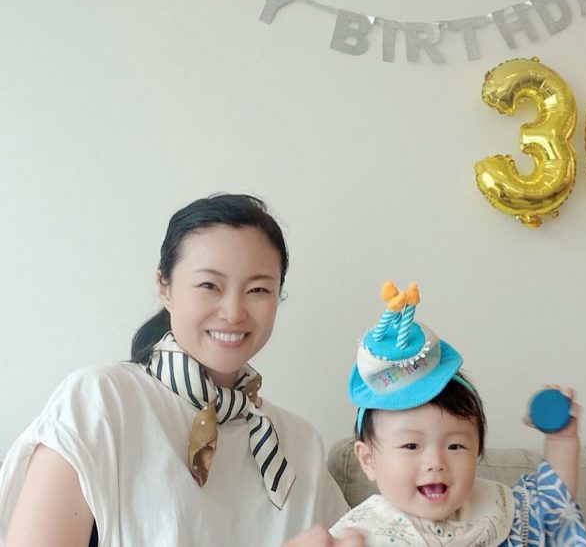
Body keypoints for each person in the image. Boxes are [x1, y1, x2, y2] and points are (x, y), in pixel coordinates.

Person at [0, 194, 363, 546]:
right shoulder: (100, 402)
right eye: (209, 285)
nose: (233, 312)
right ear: (164, 287)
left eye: (257, 290)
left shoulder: (300, 444)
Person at [329, 281, 586, 546]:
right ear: (368, 460)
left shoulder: (499, 513)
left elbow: (552, 505)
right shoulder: (362, 535)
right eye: (411, 445)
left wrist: (561, 439)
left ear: (476, 451)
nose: (436, 462)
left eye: (455, 446)